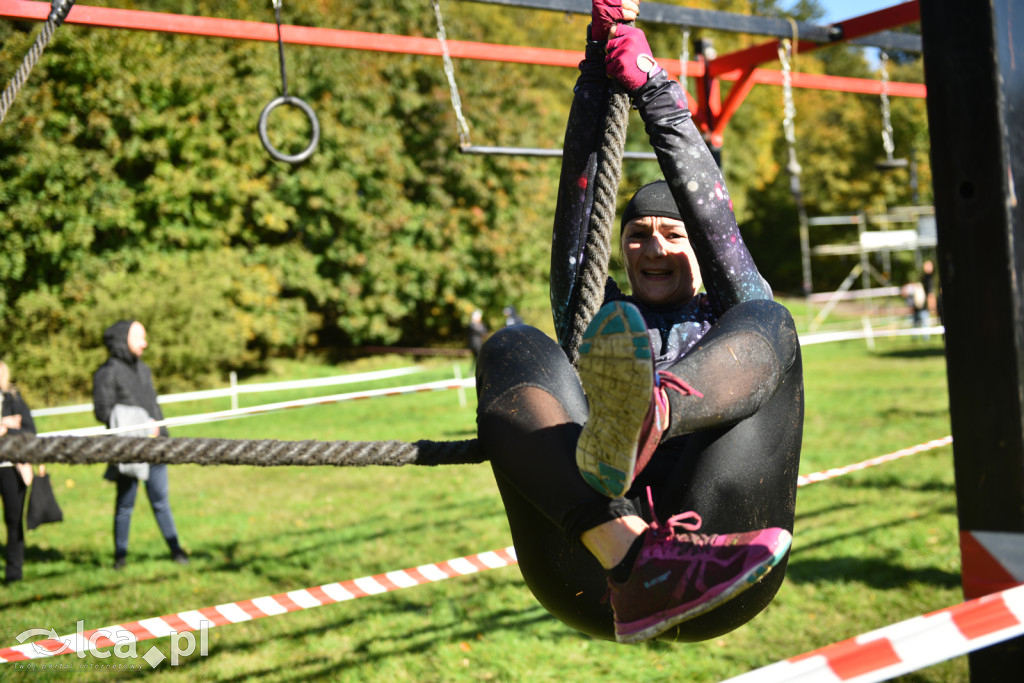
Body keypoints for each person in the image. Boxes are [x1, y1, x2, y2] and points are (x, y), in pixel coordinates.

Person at [474, 1, 803, 644]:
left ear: (700, 255)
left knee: (770, 320)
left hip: (721, 553)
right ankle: (630, 553)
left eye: (671, 235)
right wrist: (593, 77)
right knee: (513, 344)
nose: (652, 249)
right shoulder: (601, 319)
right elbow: (579, 221)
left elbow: (716, 220)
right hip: (591, 571)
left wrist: (652, 86)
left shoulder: (730, 309)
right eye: (638, 237)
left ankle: (652, 413)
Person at [93, 320, 188, 570]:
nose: (145, 344)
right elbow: (103, 412)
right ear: (124, 338)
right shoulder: (107, 372)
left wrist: (163, 437)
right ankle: (120, 557)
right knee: (125, 504)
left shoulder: (144, 369)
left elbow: (154, 406)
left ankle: (176, 550)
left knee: (161, 501)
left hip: (155, 448)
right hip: (129, 451)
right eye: (139, 338)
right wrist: (141, 424)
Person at [0, 361, 36, 584]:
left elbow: (30, 431)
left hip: (10, 467)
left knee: (13, 518)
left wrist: (8, 428)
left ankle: (14, 570)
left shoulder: (13, 398)